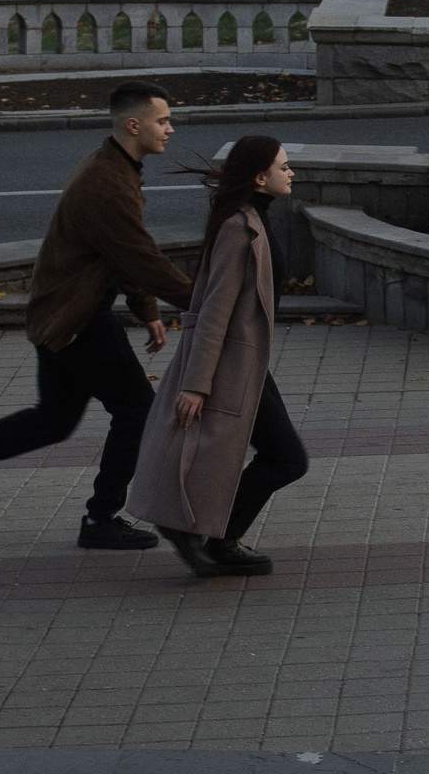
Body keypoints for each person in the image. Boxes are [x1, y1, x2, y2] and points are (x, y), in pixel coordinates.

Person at [0, 82, 193, 549]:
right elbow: (140, 256)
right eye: (163, 120)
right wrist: (205, 301)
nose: (170, 129)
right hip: (75, 321)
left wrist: (147, 311)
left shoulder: (114, 167)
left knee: (54, 420)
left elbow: (122, 251)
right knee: (139, 410)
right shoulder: (106, 184)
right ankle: (100, 520)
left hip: (62, 314)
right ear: (133, 124)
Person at [129, 136, 309, 577]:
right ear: (259, 177)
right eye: (284, 167)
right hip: (231, 362)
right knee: (286, 458)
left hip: (248, 362)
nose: (292, 174)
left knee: (276, 456)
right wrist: (196, 383)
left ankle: (206, 535)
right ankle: (213, 539)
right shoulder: (238, 228)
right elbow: (214, 311)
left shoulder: (254, 219)